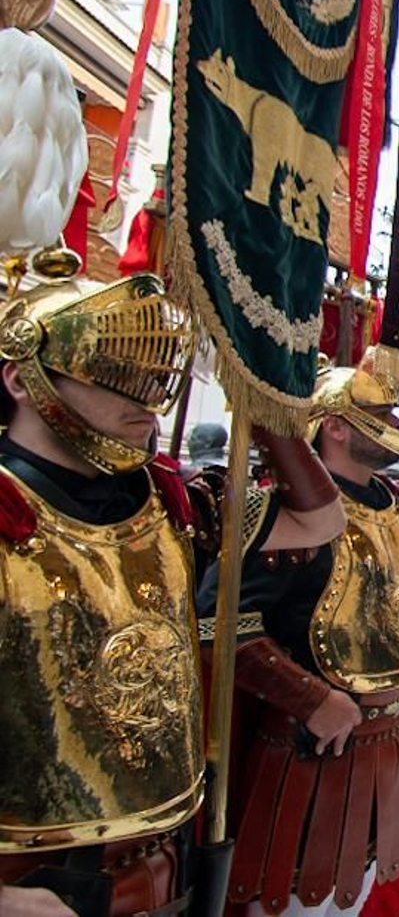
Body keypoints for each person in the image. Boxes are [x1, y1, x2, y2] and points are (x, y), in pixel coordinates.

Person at [0, 252, 344, 916]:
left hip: (168, 860)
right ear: (21, 378)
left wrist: (261, 393)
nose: (150, 394)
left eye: (156, 373)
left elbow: (318, 517)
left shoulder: (169, 502)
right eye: (120, 373)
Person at [203, 363, 399, 916]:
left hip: (386, 746)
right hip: (307, 756)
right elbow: (220, 622)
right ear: (336, 427)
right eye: (379, 413)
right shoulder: (287, 511)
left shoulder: (392, 506)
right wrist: (310, 697)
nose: (395, 422)